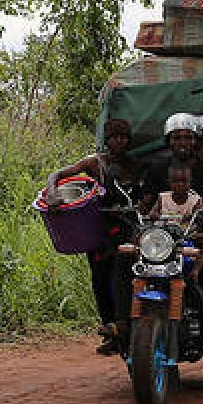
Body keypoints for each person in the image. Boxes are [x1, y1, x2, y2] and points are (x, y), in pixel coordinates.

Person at [137, 115, 203, 354]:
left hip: (199, 234)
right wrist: (139, 209)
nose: (182, 142)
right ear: (169, 141)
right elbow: (146, 200)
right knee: (126, 259)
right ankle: (123, 323)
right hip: (162, 239)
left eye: (187, 137)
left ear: (195, 140)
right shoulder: (157, 168)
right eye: (177, 137)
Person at [44, 117, 143, 354]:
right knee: (100, 278)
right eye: (113, 137)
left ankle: (128, 325)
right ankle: (110, 331)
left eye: (122, 137)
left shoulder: (136, 165)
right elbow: (56, 175)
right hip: (100, 230)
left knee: (127, 278)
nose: (118, 142)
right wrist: (52, 194)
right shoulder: (94, 163)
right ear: (106, 141)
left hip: (129, 229)